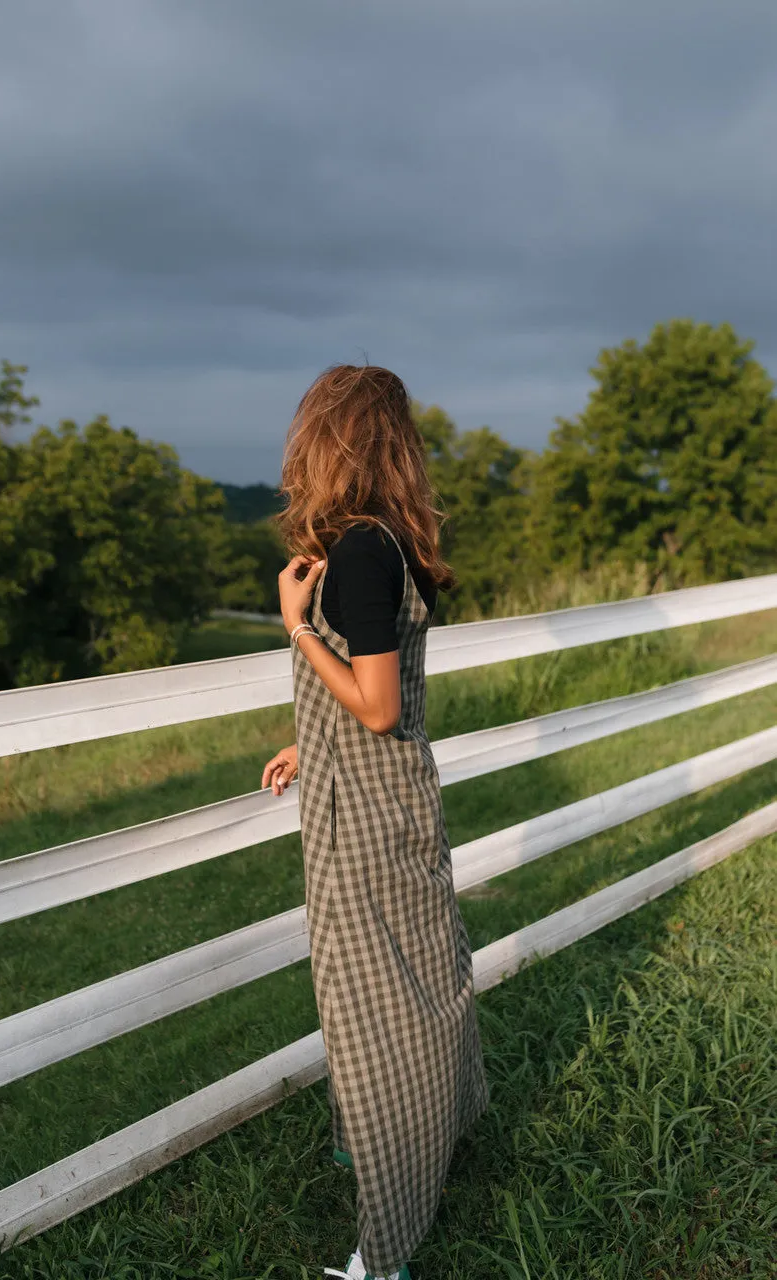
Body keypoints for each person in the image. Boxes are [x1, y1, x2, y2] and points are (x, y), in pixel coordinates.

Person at [261, 364, 489, 1280]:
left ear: (329, 439)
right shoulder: (386, 543)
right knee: (418, 986)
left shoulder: (359, 550)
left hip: (366, 825)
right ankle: (421, 1148)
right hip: (382, 799)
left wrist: (296, 629)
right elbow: (373, 700)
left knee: (373, 1011)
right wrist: (308, 742)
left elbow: (381, 704)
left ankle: (383, 1249)